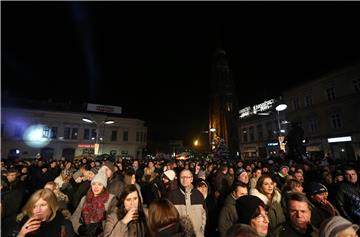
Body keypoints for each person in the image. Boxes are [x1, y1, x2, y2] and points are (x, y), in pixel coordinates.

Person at [70, 170, 116, 236]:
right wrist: (79, 228)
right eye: (94, 184)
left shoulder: (111, 199)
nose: (96, 187)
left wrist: (100, 229)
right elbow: (74, 218)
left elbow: (113, 223)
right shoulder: (84, 199)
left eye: (100, 184)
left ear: (104, 186)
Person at [168, 169, 207, 237]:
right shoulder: (172, 195)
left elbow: (204, 215)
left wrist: (201, 231)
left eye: (187, 177)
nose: (185, 179)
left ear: (191, 179)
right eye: (182, 177)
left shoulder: (198, 195)